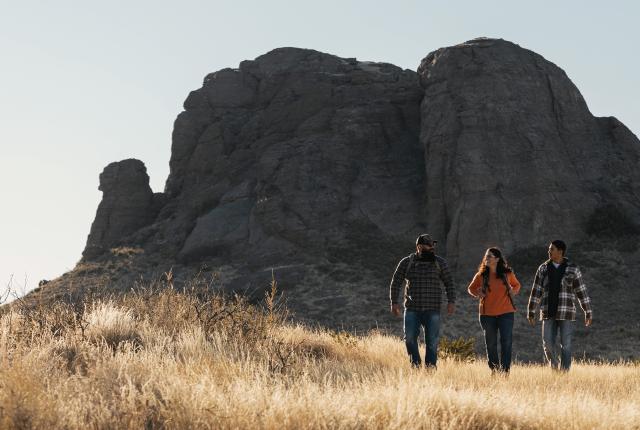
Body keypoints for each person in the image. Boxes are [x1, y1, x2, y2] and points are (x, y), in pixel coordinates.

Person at [389, 234, 456, 369]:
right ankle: (416, 365)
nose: (432, 248)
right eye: (429, 245)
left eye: (433, 245)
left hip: (433, 310)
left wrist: (451, 301)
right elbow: (395, 282)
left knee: (432, 342)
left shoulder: (440, 263)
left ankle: (431, 369)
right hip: (412, 309)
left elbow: (449, 283)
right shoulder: (406, 262)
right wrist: (394, 302)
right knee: (409, 339)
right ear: (419, 247)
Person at [527, 240, 593, 371]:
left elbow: (581, 291)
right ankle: (554, 368)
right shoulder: (543, 268)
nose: (549, 251)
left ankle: (564, 372)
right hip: (547, 311)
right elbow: (536, 291)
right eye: (549, 249)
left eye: (552, 249)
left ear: (560, 251)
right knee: (547, 343)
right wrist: (531, 310)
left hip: (566, 312)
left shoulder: (573, 268)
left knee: (566, 345)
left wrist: (588, 311)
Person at [467, 247, 521, 374]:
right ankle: (495, 370)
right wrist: (478, 293)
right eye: (486, 256)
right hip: (487, 315)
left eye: (489, 256)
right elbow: (471, 288)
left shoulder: (507, 274)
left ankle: (505, 371)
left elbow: (517, 285)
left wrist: (513, 291)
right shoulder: (481, 275)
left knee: (506, 342)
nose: (486, 258)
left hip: (506, 313)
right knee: (490, 344)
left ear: (497, 259)